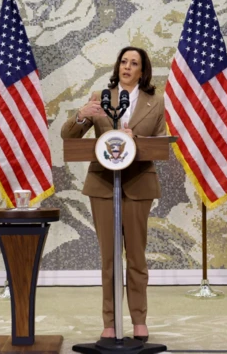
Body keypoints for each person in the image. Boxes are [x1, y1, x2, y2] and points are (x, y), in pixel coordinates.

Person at [61, 46, 166, 342]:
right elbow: (69, 137)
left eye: (134, 63)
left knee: (136, 257)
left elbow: (161, 143)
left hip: (138, 184)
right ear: (117, 66)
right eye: (123, 62)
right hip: (103, 185)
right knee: (109, 258)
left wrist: (139, 141)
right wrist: (82, 116)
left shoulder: (155, 102)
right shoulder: (102, 97)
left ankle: (139, 320)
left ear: (142, 71)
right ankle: (109, 322)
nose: (127, 67)